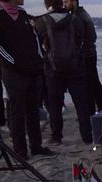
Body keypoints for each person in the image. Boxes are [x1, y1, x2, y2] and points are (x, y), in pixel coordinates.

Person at [0, 0, 52, 158]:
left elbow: (34, 39)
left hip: (32, 69)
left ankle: (36, 147)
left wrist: (38, 61)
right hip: (13, 71)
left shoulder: (22, 13)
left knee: (32, 109)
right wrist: (13, 62)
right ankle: (20, 150)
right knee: (17, 111)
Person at [34, 0, 92, 145]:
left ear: (47, 5)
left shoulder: (41, 21)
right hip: (76, 67)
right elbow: (81, 40)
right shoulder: (75, 19)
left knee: (54, 105)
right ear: (62, 3)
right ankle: (87, 136)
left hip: (53, 69)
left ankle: (56, 136)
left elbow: (40, 46)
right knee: (81, 104)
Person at [64, 0, 102, 114]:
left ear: (74, 2)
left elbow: (77, 39)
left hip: (85, 55)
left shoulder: (76, 17)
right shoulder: (84, 14)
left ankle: (91, 111)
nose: (64, 5)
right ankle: (100, 107)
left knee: (88, 85)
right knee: (94, 82)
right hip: (91, 52)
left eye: (66, 2)